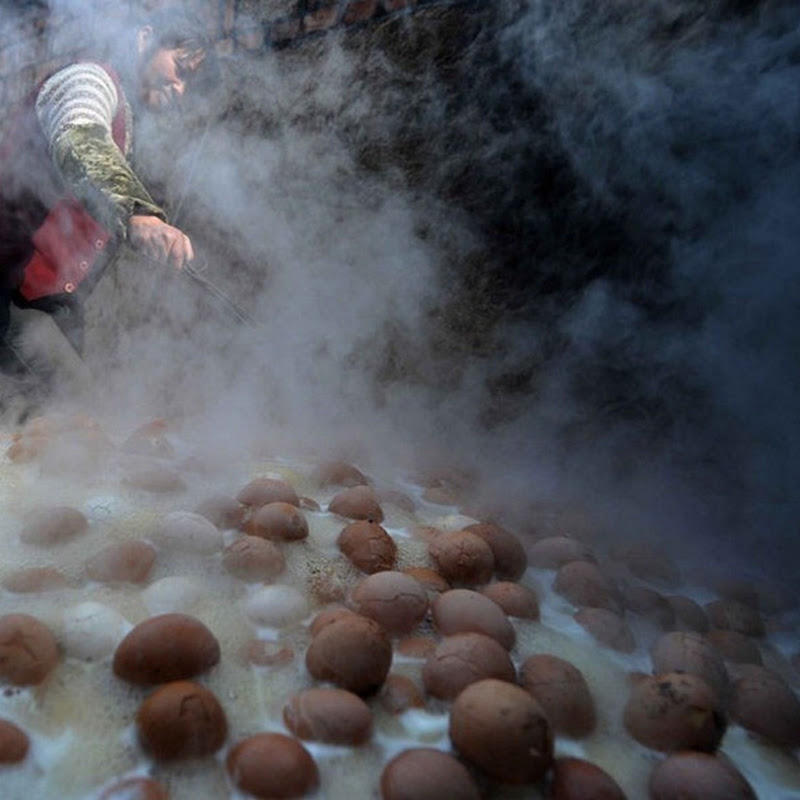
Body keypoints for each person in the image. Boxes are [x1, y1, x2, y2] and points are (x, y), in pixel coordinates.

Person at [0, 9, 219, 409]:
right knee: (73, 422)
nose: (182, 90)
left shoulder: (130, 123)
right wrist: (135, 210)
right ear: (145, 38)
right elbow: (80, 136)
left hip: (49, 307)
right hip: (9, 295)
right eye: (181, 68)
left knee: (67, 433)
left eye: (193, 86)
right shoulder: (88, 80)